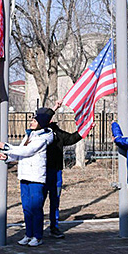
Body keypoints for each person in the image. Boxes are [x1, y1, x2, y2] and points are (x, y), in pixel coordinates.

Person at [0, 110, 53, 247]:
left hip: (36, 178)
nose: (31, 122)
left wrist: (6, 147)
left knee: (36, 208)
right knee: (26, 208)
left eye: (34, 121)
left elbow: (28, 151)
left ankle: (38, 236)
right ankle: (29, 234)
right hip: (24, 176)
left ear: (41, 123)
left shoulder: (43, 138)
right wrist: (8, 157)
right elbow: (20, 153)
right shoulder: (29, 135)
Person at [39, 100, 82, 238]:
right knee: (39, 201)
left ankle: (54, 226)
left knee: (55, 200)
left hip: (56, 172)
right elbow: (44, 120)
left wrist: (85, 130)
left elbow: (71, 139)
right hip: (42, 172)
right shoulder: (38, 131)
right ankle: (36, 228)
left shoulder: (56, 131)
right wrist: (55, 107)